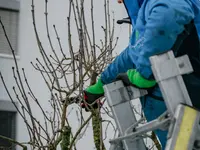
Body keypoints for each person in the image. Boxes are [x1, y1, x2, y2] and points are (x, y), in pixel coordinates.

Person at [81, 0, 200, 149]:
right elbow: (133, 53)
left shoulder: (159, 5)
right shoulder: (146, 13)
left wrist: (145, 75)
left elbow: (169, 14)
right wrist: (101, 85)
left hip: (190, 113)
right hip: (183, 122)